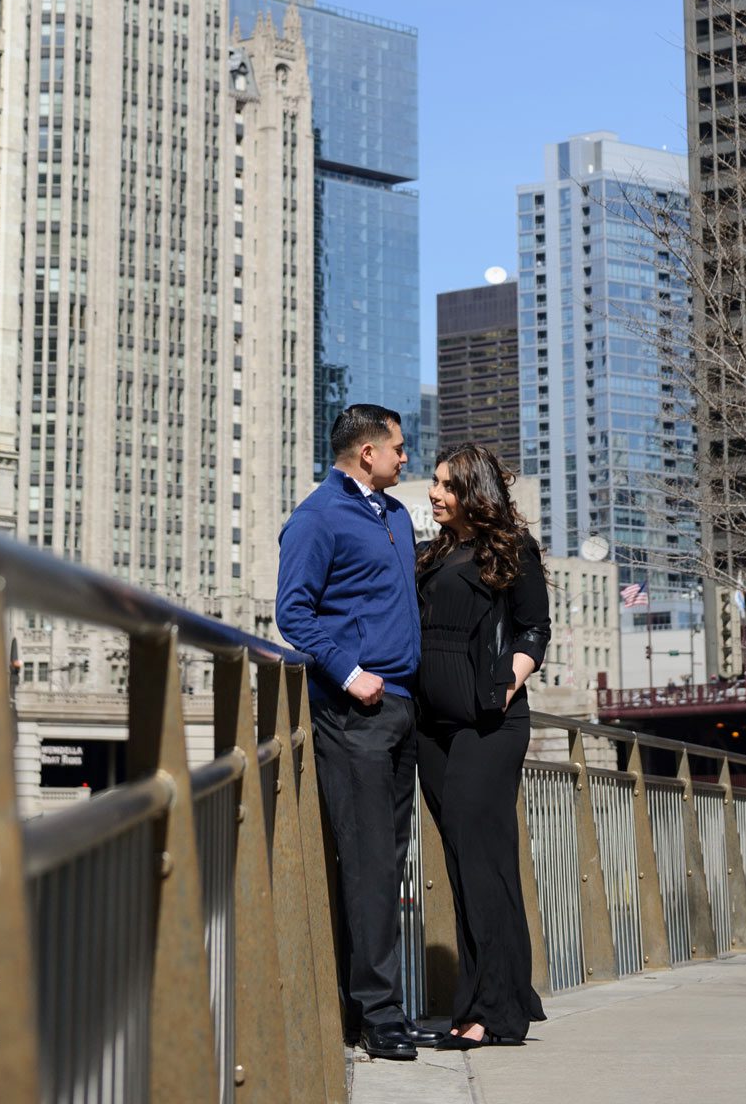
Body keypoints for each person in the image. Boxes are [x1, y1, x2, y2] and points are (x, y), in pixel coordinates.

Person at [276, 403, 448, 1062]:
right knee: (371, 860)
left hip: (401, 708)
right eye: (398, 449)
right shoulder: (317, 518)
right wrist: (349, 674)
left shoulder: (397, 517)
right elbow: (292, 611)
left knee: (388, 860)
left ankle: (368, 1001)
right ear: (366, 452)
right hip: (353, 712)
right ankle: (379, 1015)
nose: (406, 458)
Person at [415, 443, 551, 1050]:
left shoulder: (514, 549)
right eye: (435, 484)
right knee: (464, 863)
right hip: (432, 727)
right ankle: (497, 995)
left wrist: (509, 678)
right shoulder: (431, 553)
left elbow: (533, 628)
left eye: (444, 485)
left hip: (489, 725)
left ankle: (492, 1011)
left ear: (472, 490)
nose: (433, 493)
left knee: (482, 861)